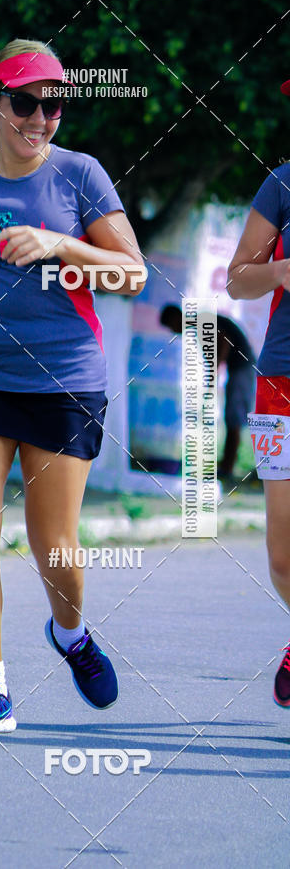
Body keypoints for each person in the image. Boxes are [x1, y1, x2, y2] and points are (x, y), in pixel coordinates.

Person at [0, 39, 145, 734]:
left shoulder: (81, 176)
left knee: (58, 552)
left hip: (66, 381)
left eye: (54, 104)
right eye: (26, 102)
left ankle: (70, 634)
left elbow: (131, 273)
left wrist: (61, 246)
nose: (41, 117)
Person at [227, 77, 290, 709]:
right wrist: (282, 270)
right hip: (281, 379)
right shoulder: (282, 183)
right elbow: (238, 280)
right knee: (281, 553)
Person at [160, 304, 256, 477]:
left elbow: (222, 342)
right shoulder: (198, 325)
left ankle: (228, 468)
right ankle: (227, 464)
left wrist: (213, 376)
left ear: (176, 318)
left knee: (234, 417)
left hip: (243, 367)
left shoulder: (200, 322)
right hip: (237, 368)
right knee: (231, 417)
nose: (173, 331)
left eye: (171, 326)